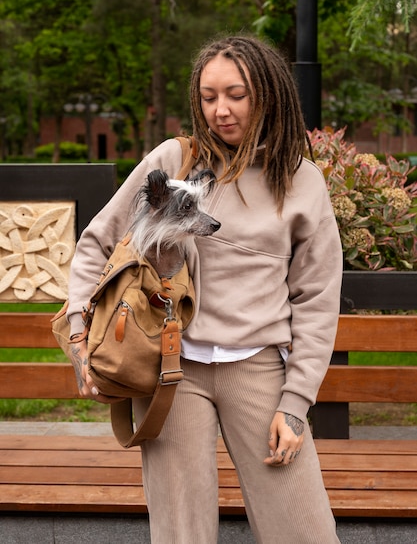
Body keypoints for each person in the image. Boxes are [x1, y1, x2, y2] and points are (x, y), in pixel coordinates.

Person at [67, 34, 343, 543]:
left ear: (269, 94)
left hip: (259, 368)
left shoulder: (302, 182)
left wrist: (296, 404)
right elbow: (95, 243)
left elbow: (317, 299)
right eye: (208, 96)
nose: (221, 110)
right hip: (170, 367)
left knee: (304, 530)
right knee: (181, 533)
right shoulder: (176, 160)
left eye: (236, 94)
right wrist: (80, 342)